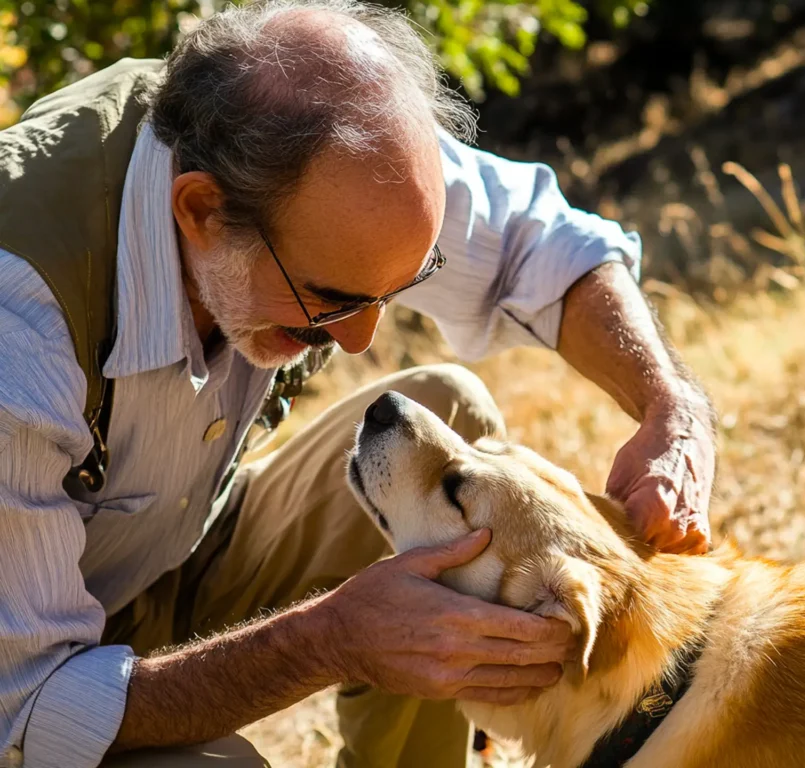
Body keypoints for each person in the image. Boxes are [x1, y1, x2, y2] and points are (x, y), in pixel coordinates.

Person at [0, 1, 717, 766]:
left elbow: (536, 246)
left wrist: (670, 405)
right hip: (25, 678)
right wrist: (329, 640)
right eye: (331, 299)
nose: (358, 337)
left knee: (444, 418)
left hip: (165, 554)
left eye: (396, 289)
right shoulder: (20, 323)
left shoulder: (332, 153)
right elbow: (30, 703)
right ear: (202, 210)